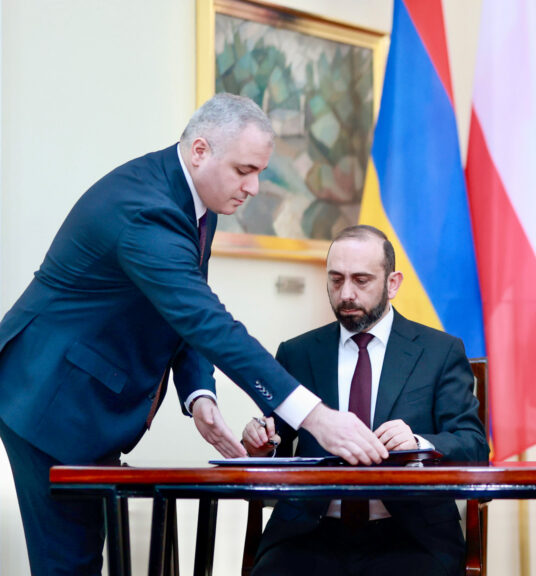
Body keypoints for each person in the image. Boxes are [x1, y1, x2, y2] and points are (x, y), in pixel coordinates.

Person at [0, 93, 387, 576]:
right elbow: (206, 321)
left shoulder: (197, 200)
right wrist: (315, 417)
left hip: (81, 395)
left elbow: (184, 307)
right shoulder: (145, 211)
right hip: (50, 396)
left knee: (82, 559)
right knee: (68, 566)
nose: (254, 187)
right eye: (244, 170)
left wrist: (198, 393)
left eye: (260, 172)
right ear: (201, 150)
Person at [241, 224, 488, 576]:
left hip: (410, 536)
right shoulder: (298, 353)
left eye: (361, 280)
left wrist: (420, 444)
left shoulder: (440, 352)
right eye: (336, 280)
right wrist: (261, 445)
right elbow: (275, 443)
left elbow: (474, 448)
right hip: (308, 533)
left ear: (393, 283)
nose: (346, 294)